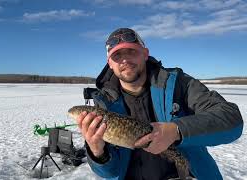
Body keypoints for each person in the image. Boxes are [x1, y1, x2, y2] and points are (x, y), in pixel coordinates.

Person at [74, 28, 244, 180]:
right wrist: (97, 153)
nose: (124, 59)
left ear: (145, 54)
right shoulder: (102, 104)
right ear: (110, 63)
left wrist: (176, 131)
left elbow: (231, 119)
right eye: (117, 55)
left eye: (131, 52)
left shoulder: (178, 84)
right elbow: (110, 173)